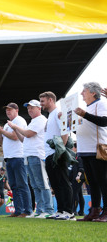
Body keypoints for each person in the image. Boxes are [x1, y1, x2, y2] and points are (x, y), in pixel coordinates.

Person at [8, 100, 54, 218]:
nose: (29, 110)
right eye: (28, 108)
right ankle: (39, 209)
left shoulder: (41, 120)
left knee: (42, 183)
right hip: (29, 155)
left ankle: (47, 209)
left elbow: (28, 134)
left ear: (39, 108)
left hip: (37, 154)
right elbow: (24, 139)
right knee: (34, 184)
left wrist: (15, 126)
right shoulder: (33, 121)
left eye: (32, 108)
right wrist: (16, 130)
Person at [0, 102, 33, 218]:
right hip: (9, 158)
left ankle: (27, 210)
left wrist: (2, 131)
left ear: (16, 110)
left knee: (22, 184)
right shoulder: (7, 125)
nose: (8, 111)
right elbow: (0, 143)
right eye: (6, 110)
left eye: (10, 109)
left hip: (18, 156)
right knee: (14, 185)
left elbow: (15, 137)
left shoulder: (19, 121)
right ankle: (18, 210)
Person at [73, 82, 107, 222]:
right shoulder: (87, 108)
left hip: (96, 149)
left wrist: (85, 114)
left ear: (93, 93)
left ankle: (105, 211)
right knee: (92, 182)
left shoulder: (100, 105)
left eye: (84, 91)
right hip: (84, 150)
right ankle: (95, 210)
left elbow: (104, 122)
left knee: (103, 181)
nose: (82, 93)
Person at [39, 91, 75, 220]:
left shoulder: (58, 113)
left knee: (63, 181)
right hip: (49, 154)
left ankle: (69, 212)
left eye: (42, 101)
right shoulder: (51, 115)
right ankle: (60, 210)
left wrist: (61, 150)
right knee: (55, 183)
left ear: (50, 100)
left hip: (57, 153)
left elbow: (65, 132)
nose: (41, 104)